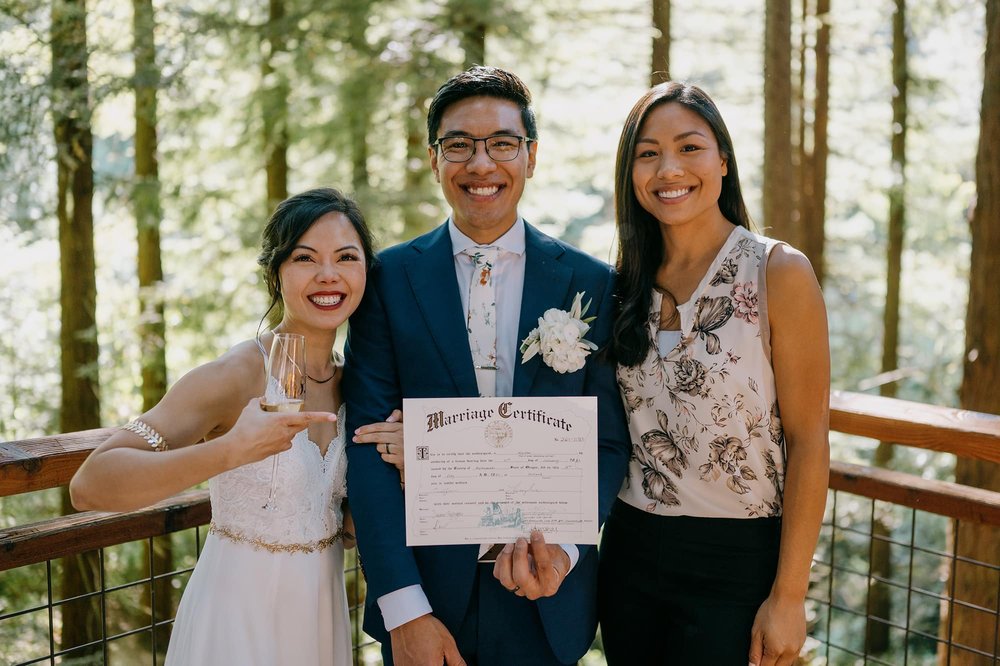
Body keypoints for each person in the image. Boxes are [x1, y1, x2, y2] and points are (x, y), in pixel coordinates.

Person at [343, 65, 630, 666]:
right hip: (425, 597)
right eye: (459, 146)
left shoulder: (591, 283)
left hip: (546, 593)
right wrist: (404, 608)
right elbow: (367, 446)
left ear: (530, 156)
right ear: (433, 158)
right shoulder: (388, 280)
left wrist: (565, 553)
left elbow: (606, 442)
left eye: (501, 143)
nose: (480, 164)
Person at [69, 187, 401, 666]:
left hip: (318, 621)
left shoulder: (357, 385)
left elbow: (338, 515)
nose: (328, 275)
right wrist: (229, 452)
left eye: (346, 257)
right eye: (305, 258)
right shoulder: (236, 375)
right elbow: (90, 485)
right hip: (235, 622)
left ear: (365, 272)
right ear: (275, 272)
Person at [598, 82, 830, 666]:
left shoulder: (776, 271)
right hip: (628, 553)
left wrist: (790, 595)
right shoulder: (619, 286)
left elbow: (809, 441)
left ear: (723, 160)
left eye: (689, 147)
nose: (668, 168)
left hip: (738, 560)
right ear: (631, 174)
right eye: (647, 153)